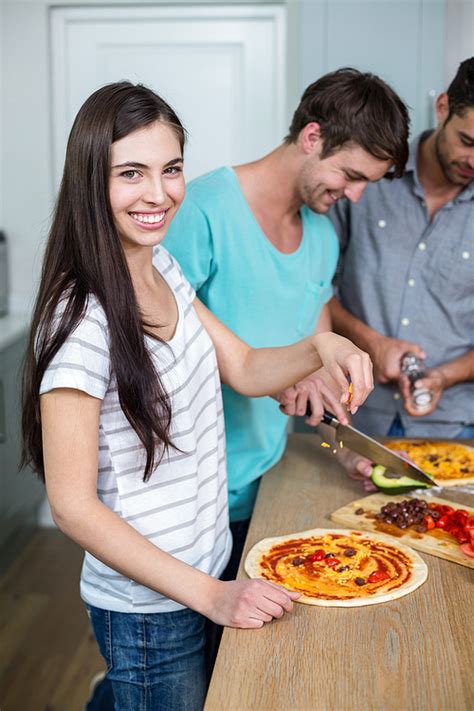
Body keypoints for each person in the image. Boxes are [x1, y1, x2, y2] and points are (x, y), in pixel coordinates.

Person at [20, 82, 373, 711]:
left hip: (202, 569)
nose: (158, 194)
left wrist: (324, 349)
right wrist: (212, 596)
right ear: (90, 182)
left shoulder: (161, 270)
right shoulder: (82, 320)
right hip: (150, 611)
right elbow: (72, 507)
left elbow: (242, 365)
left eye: (171, 169)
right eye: (132, 173)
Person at [163, 67, 410, 571]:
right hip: (188, 503)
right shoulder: (203, 209)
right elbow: (155, 354)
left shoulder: (321, 237)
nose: (356, 196)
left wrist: (341, 447)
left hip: (265, 490)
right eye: (352, 176)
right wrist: (272, 379)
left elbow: (314, 376)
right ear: (312, 137)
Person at [329, 57, 474, 441]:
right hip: (351, 414)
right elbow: (310, 290)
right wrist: (371, 343)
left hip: (456, 426)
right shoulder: (366, 176)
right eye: (468, 141)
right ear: (443, 107)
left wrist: (445, 375)